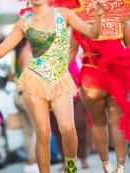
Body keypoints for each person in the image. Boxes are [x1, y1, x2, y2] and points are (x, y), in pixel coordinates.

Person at [0, 0, 106, 172]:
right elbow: (0, 51)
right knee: (43, 134)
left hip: (60, 80)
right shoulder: (24, 23)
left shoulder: (64, 14)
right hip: (34, 82)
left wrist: (98, 16)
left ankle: (70, 168)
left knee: (68, 130)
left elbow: (93, 33)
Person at [65, 1, 130, 172]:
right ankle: (121, 167)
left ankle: (106, 166)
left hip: (91, 77)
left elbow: (72, 51)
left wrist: (56, 76)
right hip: (116, 76)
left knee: (98, 123)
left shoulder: (79, 20)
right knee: (117, 123)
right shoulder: (122, 21)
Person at [14, 37, 39, 173]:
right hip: (26, 93)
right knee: (36, 129)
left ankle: (29, 162)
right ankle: (31, 161)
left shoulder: (19, 52)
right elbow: (26, 75)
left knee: (28, 131)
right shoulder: (28, 52)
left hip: (17, 94)